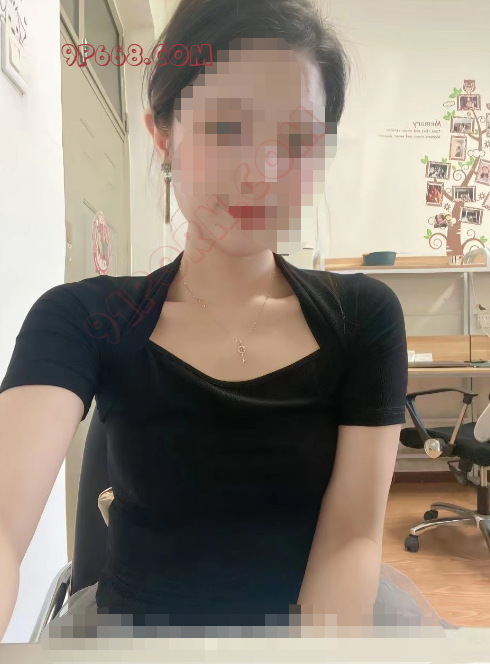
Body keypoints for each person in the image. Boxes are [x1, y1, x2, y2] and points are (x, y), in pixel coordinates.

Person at [0, 0, 455, 640]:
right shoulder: (83, 317)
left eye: (296, 140)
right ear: (163, 134)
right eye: (226, 126)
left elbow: (352, 537)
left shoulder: (362, 318)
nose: (260, 173)